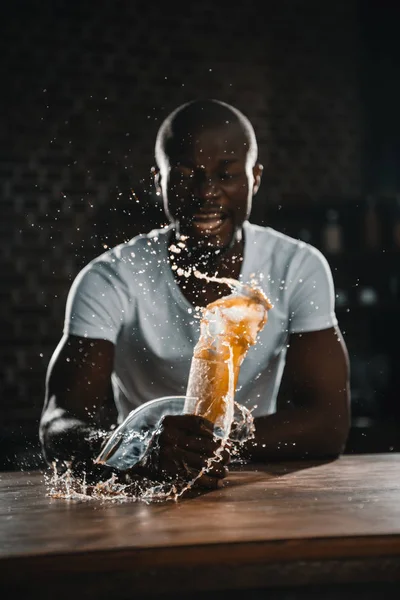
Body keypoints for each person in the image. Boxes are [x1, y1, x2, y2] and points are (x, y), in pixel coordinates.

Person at [40, 99, 350, 489]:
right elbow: (60, 422)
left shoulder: (296, 266)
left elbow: (328, 424)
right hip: (143, 483)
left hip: (247, 479)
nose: (207, 193)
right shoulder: (111, 277)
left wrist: (211, 447)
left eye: (227, 175)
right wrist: (140, 447)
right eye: (187, 174)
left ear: (254, 179)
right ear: (159, 182)